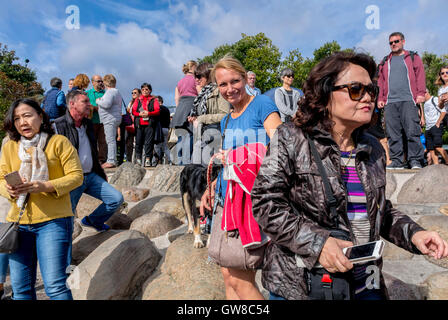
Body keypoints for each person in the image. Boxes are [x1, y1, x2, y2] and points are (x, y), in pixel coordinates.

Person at [250, 51, 448, 300]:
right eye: (356, 89)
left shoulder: (373, 147)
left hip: (366, 284)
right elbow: (265, 203)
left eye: (371, 90)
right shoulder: (291, 137)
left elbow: (379, 211)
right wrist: (318, 244)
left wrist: (415, 234)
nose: (367, 97)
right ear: (325, 93)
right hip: (304, 286)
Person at [200, 56, 282, 300]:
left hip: (250, 202)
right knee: (228, 278)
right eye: (222, 84)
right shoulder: (226, 120)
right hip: (226, 202)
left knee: (240, 280)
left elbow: (282, 146)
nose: (229, 89)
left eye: (235, 81)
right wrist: (212, 187)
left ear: (246, 78)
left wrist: (238, 155)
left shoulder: (262, 105)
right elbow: (229, 165)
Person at [0, 98, 84, 300]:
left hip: (53, 222)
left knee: (55, 287)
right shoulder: (9, 147)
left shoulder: (59, 142)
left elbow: (76, 176)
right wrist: (9, 189)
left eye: (27, 115)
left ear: (41, 116)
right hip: (18, 224)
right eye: (17, 118)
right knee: (21, 291)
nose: (22, 122)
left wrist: (45, 186)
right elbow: (1, 178)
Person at [54, 90, 124, 233]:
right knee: (67, 219)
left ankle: (93, 220)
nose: (89, 104)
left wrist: (100, 173)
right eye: (84, 101)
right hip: (71, 179)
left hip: (91, 176)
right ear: (72, 104)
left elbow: (92, 151)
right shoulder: (58, 126)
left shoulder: (87, 123)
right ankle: (64, 255)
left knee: (116, 199)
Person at [377, 32, 426, 169]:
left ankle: (415, 160)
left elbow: (420, 75)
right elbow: (381, 81)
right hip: (390, 102)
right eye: (391, 42)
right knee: (393, 133)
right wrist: (380, 98)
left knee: (412, 131)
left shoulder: (412, 57)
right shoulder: (385, 61)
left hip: (409, 99)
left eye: (396, 41)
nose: (393, 44)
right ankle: (397, 161)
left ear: (403, 41)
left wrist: (421, 93)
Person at [188, 62, 231, 165]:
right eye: (195, 76)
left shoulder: (219, 91)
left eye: (199, 76)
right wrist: (194, 118)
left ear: (208, 75)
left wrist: (201, 118)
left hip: (215, 136)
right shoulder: (203, 93)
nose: (196, 79)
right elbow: (200, 115)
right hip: (203, 135)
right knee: (196, 167)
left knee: (205, 169)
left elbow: (225, 115)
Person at [171, 60, 198, 165]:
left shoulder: (180, 82)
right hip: (191, 105)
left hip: (180, 108)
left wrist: (179, 110)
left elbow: (176, 98)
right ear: (193, 67)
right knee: (191, 135)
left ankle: (179, 161)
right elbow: (200, 93)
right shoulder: (196, 80)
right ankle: (186, 162)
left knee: (181, 137)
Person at [96, 74, 123, 169]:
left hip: (109, 119)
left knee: (110, 140)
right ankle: (112, 160)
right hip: (114, 118)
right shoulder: (116, 91)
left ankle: (111, 161)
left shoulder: (110, 92)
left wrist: (98, 100)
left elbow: (107, 104)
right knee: (111, 140)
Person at [131, 83, 161, 167]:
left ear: (150, 90)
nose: (144, 91)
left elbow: (157, 110)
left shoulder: (154, 99)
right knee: (138, 141)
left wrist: (149, 113)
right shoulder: (138, 100)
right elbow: (133, 111)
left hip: (150, 124)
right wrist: (140, 114)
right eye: (143, 89)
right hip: (139, 124)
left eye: (146, 89)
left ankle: (148, 159)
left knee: (149, 142)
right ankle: (138, 159)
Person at [86, 75, 107, 165]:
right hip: (91, 121)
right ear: (93, 82)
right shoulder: (88, 93)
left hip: (103, 121)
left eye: (101, 81)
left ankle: (101, 160)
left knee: (103, 142)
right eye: (98, 81)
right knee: (91, 141)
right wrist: (94, 108)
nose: (100, 83)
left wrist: (96, 107)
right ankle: (92, 159)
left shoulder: (105, 93)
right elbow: (87, 105)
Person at [423, 89, 448, 165]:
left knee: (437, 146)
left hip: (435, 126)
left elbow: (443, 111)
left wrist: (438, 122)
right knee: (431, 149)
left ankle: (447, 161)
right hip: (428, 128)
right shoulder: (425, 104)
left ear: (426, 93)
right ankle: (436, 166)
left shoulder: (434, 99)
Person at [153, 96, 172, 165]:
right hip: (166, 129)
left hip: (159, 130)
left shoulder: (159, 109)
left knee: (157, 146)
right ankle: (171, 160)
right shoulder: (167, 109)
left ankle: (157, 161)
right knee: (165, 147)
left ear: (159, 101)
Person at [125, 88, 140, 164]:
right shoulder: (130, 102)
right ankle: (129, 160)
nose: (133, 94)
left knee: (138, 142)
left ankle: (138, 160)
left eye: (135, 92)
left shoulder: (141, 102)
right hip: (130, 124)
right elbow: (127, 112)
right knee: (128, 142)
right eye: (132, 93)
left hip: (138, 123)